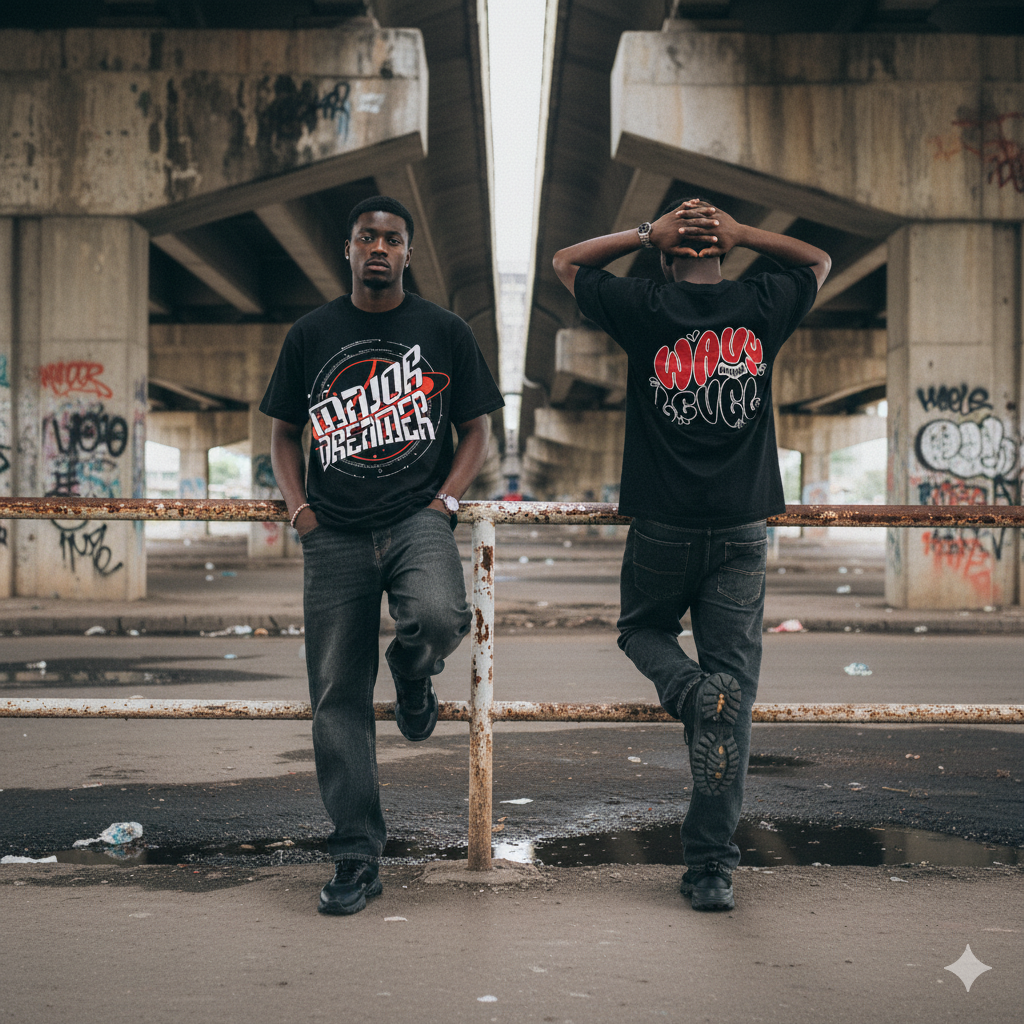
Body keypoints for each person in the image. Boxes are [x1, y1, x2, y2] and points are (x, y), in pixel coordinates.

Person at [552, 198, 830, 911]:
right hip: (741, 527)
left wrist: (645, 234)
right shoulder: (764, 300)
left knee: (641, 631)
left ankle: (684, 689)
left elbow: (566, 264)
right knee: (731, 699)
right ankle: (711, 869)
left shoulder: (644, 306)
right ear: (722, 253)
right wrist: (744, 234)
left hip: (664, 524)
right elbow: (818, 261)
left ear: (669, 253)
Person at [261, 195, 503, 916]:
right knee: (336, 695)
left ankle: (412, 674)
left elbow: (476, 429)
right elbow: (282, 434)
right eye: (366, 237)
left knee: (439, 615)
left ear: (406, 253)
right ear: (348, 250)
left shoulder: (443, 330)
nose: (378, 248)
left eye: (392, 240)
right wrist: (299, 511)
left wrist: (445, 501)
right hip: (330, 532)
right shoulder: (312, 333)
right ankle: (356, 854)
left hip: (413, 518)